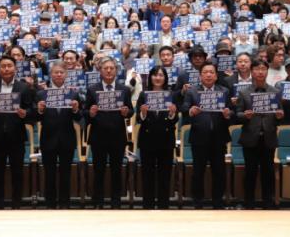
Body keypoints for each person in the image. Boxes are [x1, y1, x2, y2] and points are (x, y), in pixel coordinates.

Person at [0, 55, 34, 209]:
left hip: (16, 135)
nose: (6, 69)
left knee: (17, 171)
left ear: (15, 68)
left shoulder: (23, 87)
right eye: (3, 66)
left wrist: (25, 113)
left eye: (9, 66)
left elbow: (30, 109)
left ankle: (16, 203)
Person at [84, 56, 133, 208]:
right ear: (100, 71)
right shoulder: (92, 89)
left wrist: (126, 112)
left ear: (116, 70)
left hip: (117, 136)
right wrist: (91, 113)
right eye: (106, 68)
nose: (109, 71)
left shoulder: (124, 90)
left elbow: (131, 111)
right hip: (98, 136)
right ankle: (97, 201)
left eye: (112, 68)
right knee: (98, 170)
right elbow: (85, 113)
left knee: (116, 170)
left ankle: (116, 201)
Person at [181, 62, 232, 209]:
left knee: (219, 171)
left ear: (216, 76)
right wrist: (191, 111)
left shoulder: (224, 91)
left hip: (219, 137)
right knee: (198, 171)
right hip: (199, 137)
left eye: (211, 72)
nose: (208, 75)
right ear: (200, 76)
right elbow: (184, 108)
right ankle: (197, 202)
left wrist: (228, 114)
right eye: (205, 72)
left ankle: (218, 202)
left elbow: (232, 111)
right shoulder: (192, 92)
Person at [236, 59, 284, 209]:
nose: (260, 72)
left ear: (267, 71)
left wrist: (279, 116)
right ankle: (248, 203)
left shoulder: (275, 92)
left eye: (263, 69)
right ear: (252, 71)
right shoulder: (244, 92)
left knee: (268, 172)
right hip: (250, 137)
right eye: (257, 69)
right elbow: (237, 114)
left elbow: (280, 116)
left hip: (268, 137)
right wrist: (245, 115)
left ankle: (268, 202)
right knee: (250, 172)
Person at [36, 61, 82, 209]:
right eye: (56, 72)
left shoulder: (73, 94)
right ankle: (49, 204)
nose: (59, 74)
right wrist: (40, 110)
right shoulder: (41, 94)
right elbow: (35, 117)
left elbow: (79, 117)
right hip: (48, 138)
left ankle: (64, 203)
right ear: (51, 74)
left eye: (61, 72)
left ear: (66, 75)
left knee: (65, 173)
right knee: (49, 173)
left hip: (67, 138)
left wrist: (75, 109)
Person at [136, 66, 179, 209]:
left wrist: (172, 113)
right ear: (150, 77)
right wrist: (143, 113)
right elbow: (138, 119)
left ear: (165, 78)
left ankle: (163, 206)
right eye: (155, 75)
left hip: (166, 139)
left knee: (165, 175)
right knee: (147, 175)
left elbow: (175, 120)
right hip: (147, 139)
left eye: (161, 75)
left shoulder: (171, 95)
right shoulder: (143, 95)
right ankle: (147, 206)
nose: (158, 78)